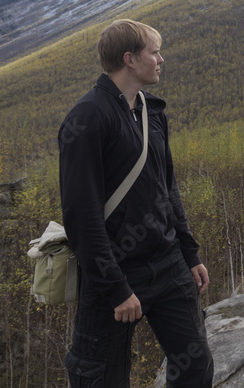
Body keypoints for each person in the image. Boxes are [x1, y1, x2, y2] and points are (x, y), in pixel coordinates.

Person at [59, 19, 214, 386]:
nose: (161, 59)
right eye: (154, 52)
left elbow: (167, 186)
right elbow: (82, 217)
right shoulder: (87, 118)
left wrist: (189, 253)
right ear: (130, 59)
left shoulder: (151, 111)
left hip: (168, 261)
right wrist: (116, 288)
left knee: (195, 367)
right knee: (101, 378)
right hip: (114, 272)